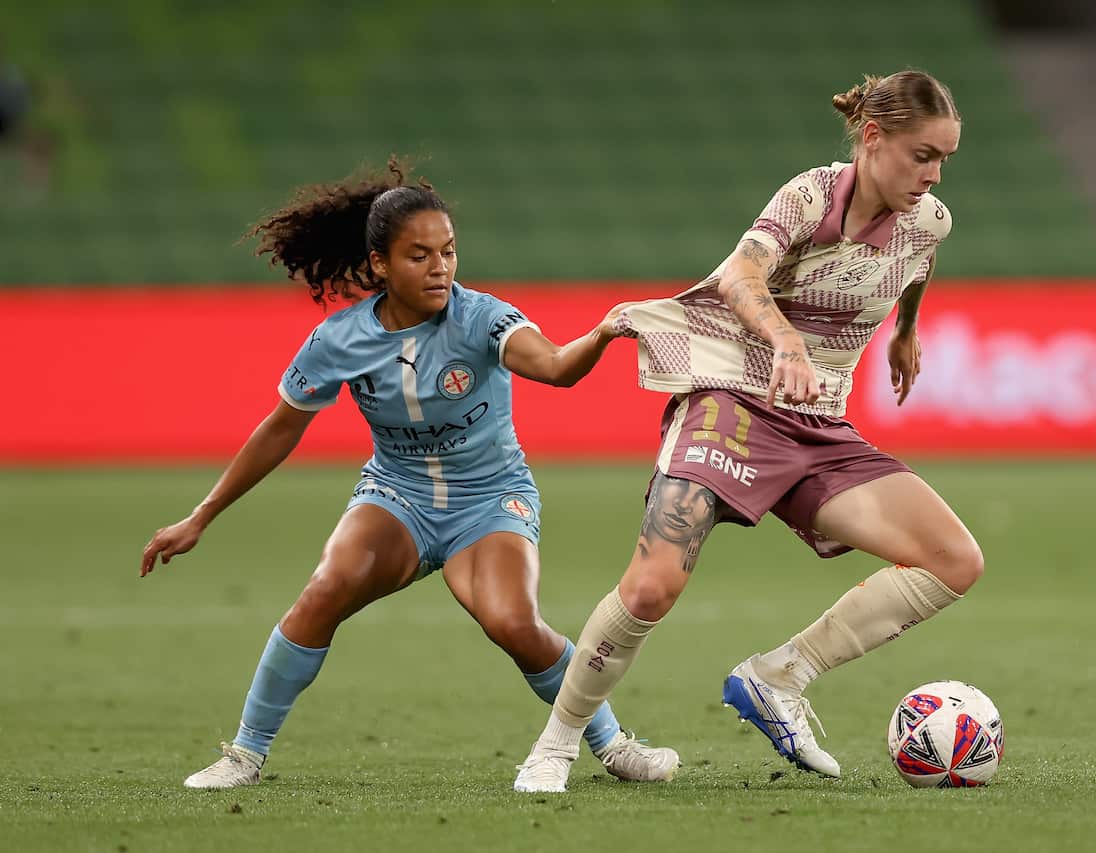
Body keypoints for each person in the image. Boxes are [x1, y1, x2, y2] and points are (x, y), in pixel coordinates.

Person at [140, 160, 679, 790]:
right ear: (380, 265)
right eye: (419, 256)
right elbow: (280, 429)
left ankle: (614, 746)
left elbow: (557, 367)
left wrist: (604, 332)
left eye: (447, 251)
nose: (440, 267)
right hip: (397, 495)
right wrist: (201, 516)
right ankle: (244, 756)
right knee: (325, 589)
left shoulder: (482, 318)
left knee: (513, 623)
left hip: (490, 500)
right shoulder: (340, 340)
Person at [514, 70, 981, 793]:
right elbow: (739, 276)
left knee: (954, 559)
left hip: (816, 420)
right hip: (732, 397)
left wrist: (905, 330)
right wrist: (787, 342)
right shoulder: (809, 197)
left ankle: (780, 676)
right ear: (872, 138)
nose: (934, 175)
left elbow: (919, 261)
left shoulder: (929, 219)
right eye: (923, 155)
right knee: (652, 587)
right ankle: (556, 744)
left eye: (944, 158)